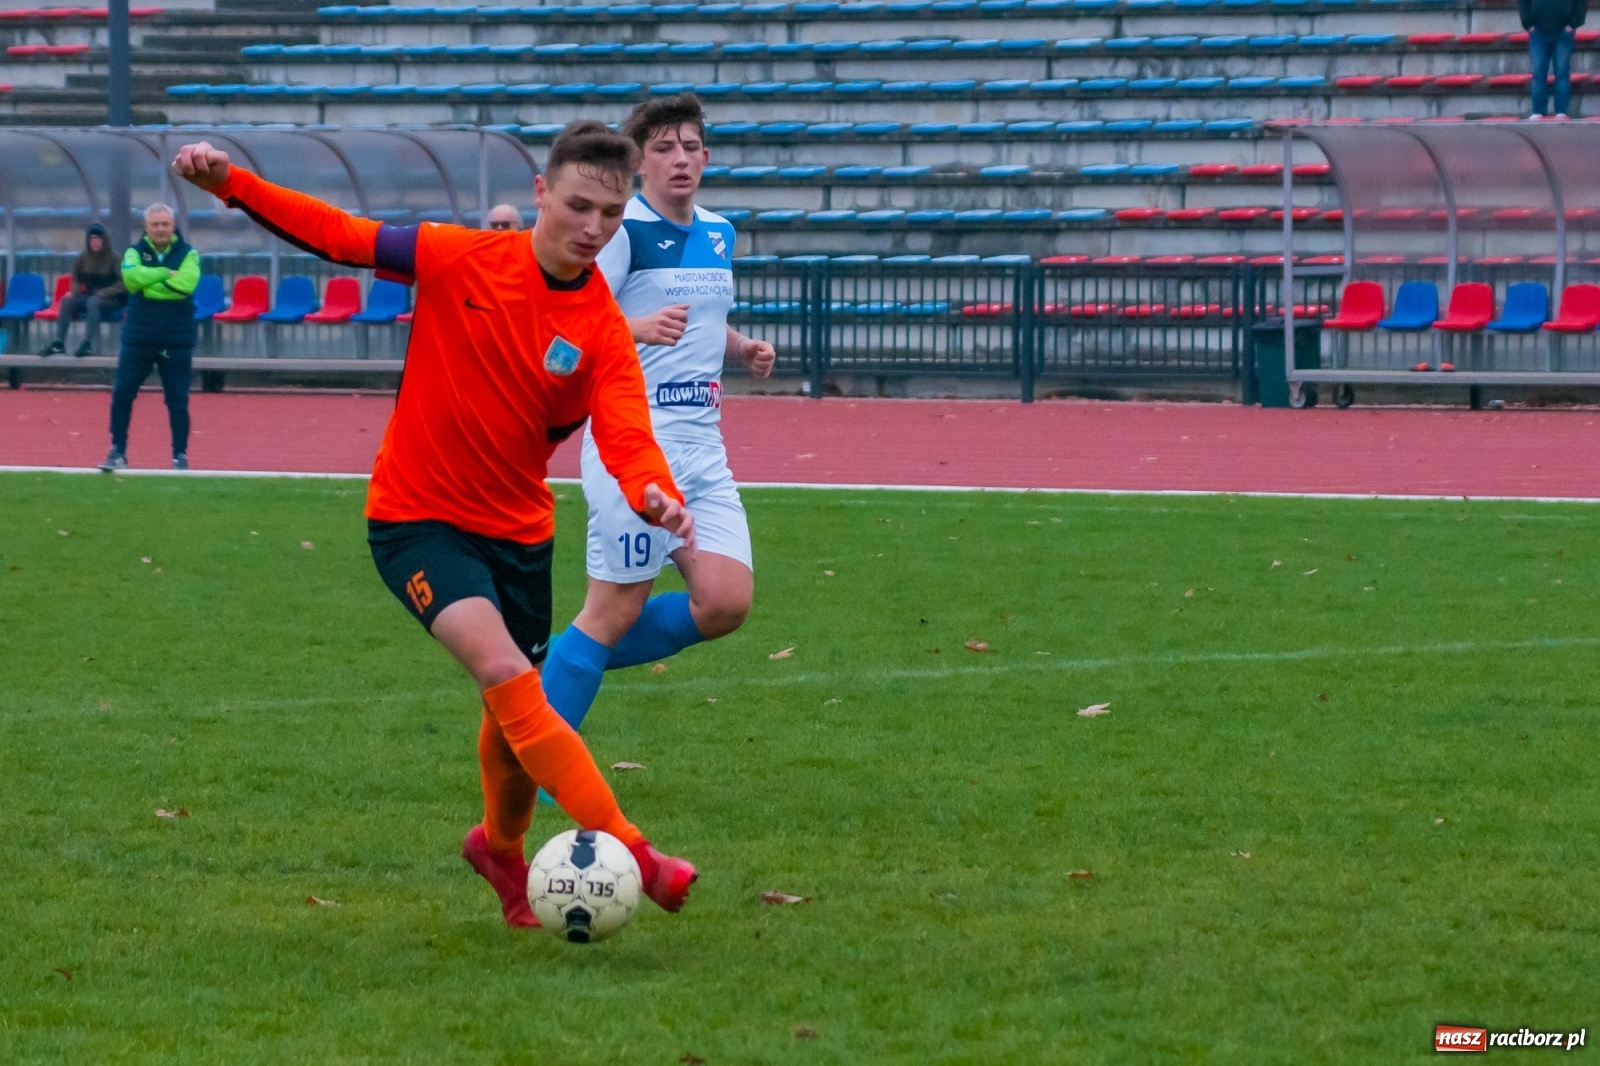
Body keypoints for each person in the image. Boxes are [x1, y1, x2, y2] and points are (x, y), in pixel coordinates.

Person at [171, 121, 701, 929]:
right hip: (416, 518)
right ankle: (631, 845)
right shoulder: (458, 256)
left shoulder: (602, 332)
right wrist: (232, 184)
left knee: (510, 715)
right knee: (508, 677)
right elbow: (341, 236)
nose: (592, 228)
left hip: (520, 533)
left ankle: (499, 845)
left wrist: (654, 493)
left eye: (609, 213)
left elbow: (627, 432)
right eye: (578, 205)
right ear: (540, 196)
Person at [539, 92, 776, 749]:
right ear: (638, 162)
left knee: (725, 600)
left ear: (708, 156)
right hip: (632, 441)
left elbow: (699, 315)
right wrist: (637, 327)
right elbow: (568, 328)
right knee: (616, 607)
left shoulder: (720, 232)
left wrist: (741, 345)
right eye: (665, 148)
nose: (681, 159)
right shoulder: (621, 232)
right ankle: (540, 769)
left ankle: (559, 664)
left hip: (704, 444)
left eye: (691, 146)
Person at [98, 204, 200, 472]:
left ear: (172, 225)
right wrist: (167, 274)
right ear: (146, 227)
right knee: (122, 395)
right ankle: (117, 451)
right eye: (155, 225)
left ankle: (180, 455)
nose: (160, 229)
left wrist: (149, 283)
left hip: (176, 340)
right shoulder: (133, 252)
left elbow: (186, 286)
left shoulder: (189, 254)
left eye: (165, 224)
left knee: (177, 400)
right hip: (138, 338)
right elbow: (131, 280)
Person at [39, 222, 126, 359]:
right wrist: (74, 291)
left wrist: (103, 293)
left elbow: (123, 283)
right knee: (67, 300)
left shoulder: (114, 258)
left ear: (104, 240)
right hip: (92, 296)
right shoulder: (83, 257)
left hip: (112, 300)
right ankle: (59, 343)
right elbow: (76, 278)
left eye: (98, 238)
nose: (95, 242)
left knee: (93, 301)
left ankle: (87, 344)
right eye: (91, 238)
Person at [1521, 0, 1587, 118]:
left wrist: (1573, 24)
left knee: (1561, 73)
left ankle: (1561, 112)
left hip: (1563, 31)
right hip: (1538, 31)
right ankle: (1538, 112)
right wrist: (1528, 24)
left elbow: (1581, 2)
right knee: (1538, 73)